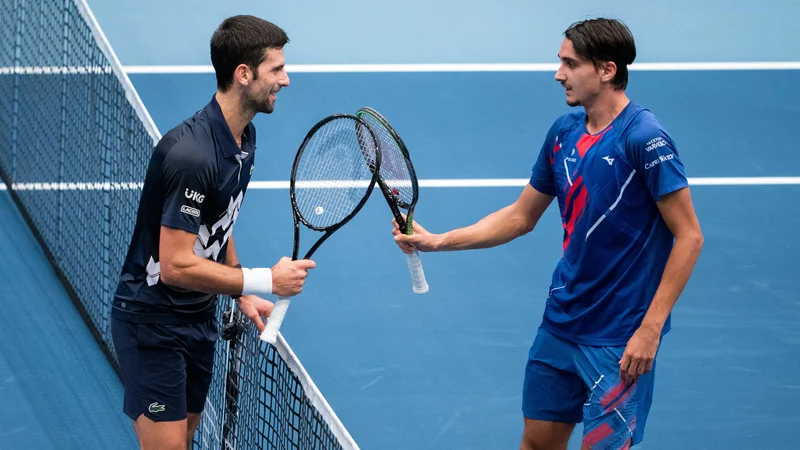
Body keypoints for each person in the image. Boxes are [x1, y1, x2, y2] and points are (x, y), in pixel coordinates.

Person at [393, 18, 704, 450]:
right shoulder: (564, 132)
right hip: (560, 324)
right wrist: (439, 240)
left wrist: (650, 329)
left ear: (607, 70)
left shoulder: (645, 139)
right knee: (536, 444)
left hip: (618, 337)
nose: (558, 73)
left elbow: (689, 237)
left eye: (570, 64)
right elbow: (521, 216)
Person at [110, 16, 316, 450]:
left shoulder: (243, 139)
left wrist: (238, 287)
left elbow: (219, 222)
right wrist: (263, 280)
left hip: (197, 320)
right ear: (244, 74)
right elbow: (174, 266)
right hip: (152, 323)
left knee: (183, 441)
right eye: (276, 69)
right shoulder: (192, 155)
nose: (287, 79)